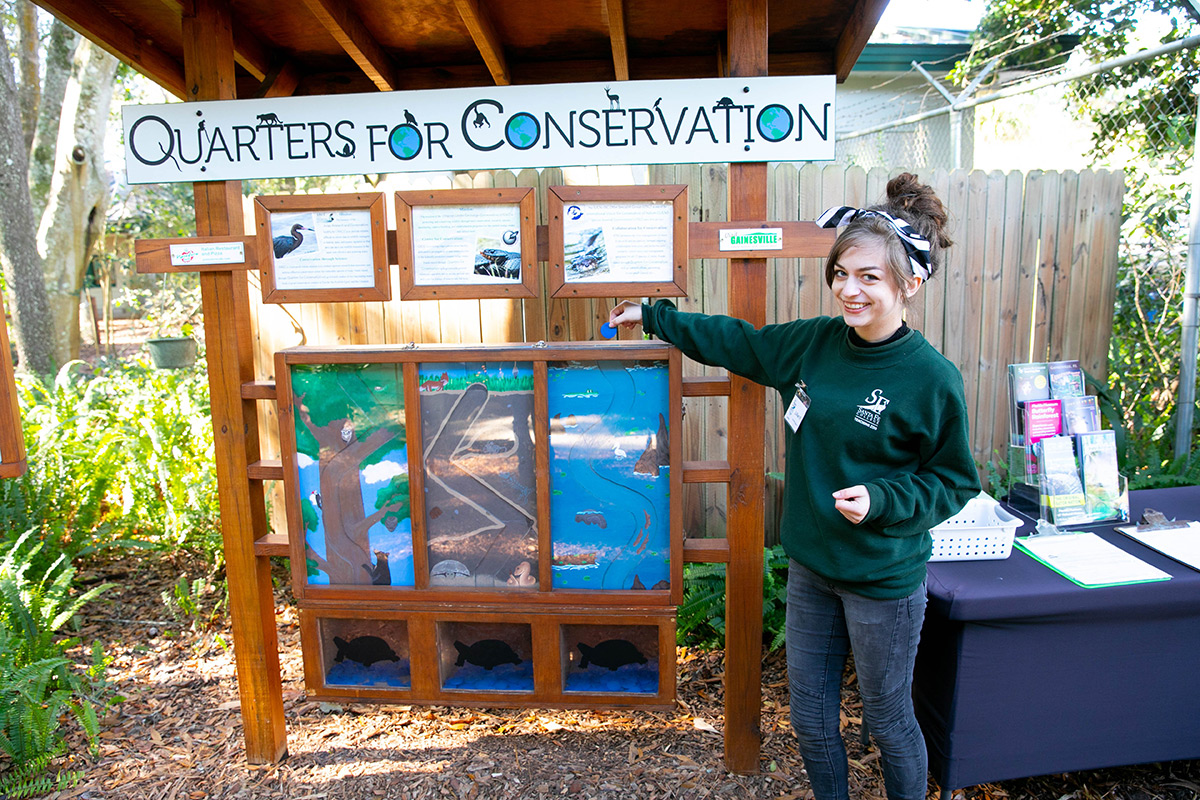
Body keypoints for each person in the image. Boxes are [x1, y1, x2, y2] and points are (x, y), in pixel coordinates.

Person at [609, 173, 981, 800]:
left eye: (869, 277)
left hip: (883, 580)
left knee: (888, 722)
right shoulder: (814, 344)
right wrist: (656, 316)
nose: (848, 289)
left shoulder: (931, 378)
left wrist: (885, 500)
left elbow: (954, 480)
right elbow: (740, 343)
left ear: (909, 283)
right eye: (841, 273)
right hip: (812, 568)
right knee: (809, 719)